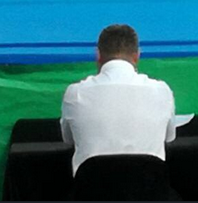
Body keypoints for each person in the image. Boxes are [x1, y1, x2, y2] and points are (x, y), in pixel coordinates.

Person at [60, 24, 176, 176]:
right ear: (137, 56)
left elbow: (67, 139)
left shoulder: (75, 93)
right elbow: (169, 137)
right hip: (149, 194)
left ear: (98, 55)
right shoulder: (162, 92)